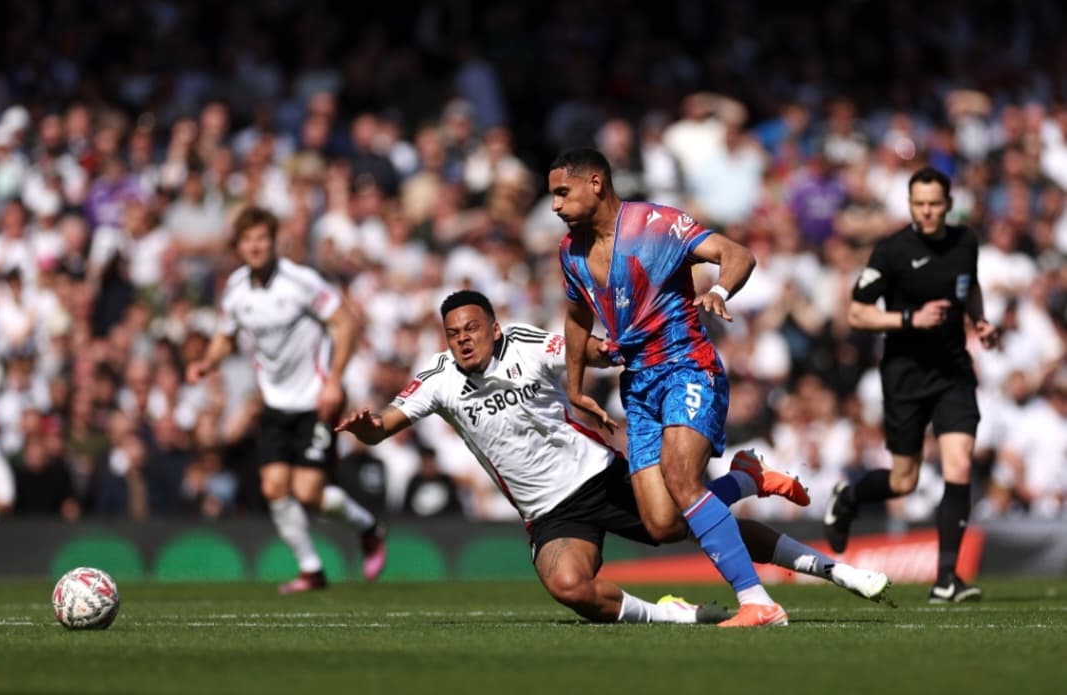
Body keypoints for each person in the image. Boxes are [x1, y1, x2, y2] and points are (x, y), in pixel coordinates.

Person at [337, 291, 890, 626]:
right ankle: (673, 614)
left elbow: (585, 352)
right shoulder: (439, 380)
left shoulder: (527, 345)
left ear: (494, 328)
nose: (462, 341)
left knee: (682, 525)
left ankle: (786, 527)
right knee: (571, 589)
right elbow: (383, 425)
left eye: (472, 329)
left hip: (598, 477)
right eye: (454, 333)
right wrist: (367, 428)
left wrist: (607, 349)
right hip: (549, 512)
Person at [551, 148, 801, 627]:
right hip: (638, 385)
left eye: (563, 192)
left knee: (682, 479)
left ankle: (758, 603)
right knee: (662, 523)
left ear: (596, 184)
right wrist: (577, 385)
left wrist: (719, 291)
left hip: (688, 367)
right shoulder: (570, 253)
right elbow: (577, 315)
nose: (556, 206)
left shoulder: (656, 223)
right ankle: (746, 479)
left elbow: (737, 255)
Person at [186, 205, 386, 593]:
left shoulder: (301, 281)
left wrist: (335, 381)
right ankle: (311, 570)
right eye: (248, 241)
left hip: (316, 400)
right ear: (239, 246)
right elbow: (226, 335)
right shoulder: (236, 289)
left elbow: (344, 323)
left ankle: (369, 528)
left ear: (274, 241)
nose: (256, 246)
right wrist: (206, 362)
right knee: (274, 487)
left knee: (309, 493)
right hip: (275, 404)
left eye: (262, 238)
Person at [824, 166, 1000, 603]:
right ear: (909, 205)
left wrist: (979, 321)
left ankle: (946, 579)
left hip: (953, 372)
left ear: (948, 204)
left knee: (958, 465)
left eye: (934, 204)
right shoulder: (892, 251)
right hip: (905, 375)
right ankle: (850, 497)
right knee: (904, 480)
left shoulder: (966, 242)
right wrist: (908, 319)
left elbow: (969, 286)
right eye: (919, 204)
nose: (926, 211)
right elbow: (857, 313)